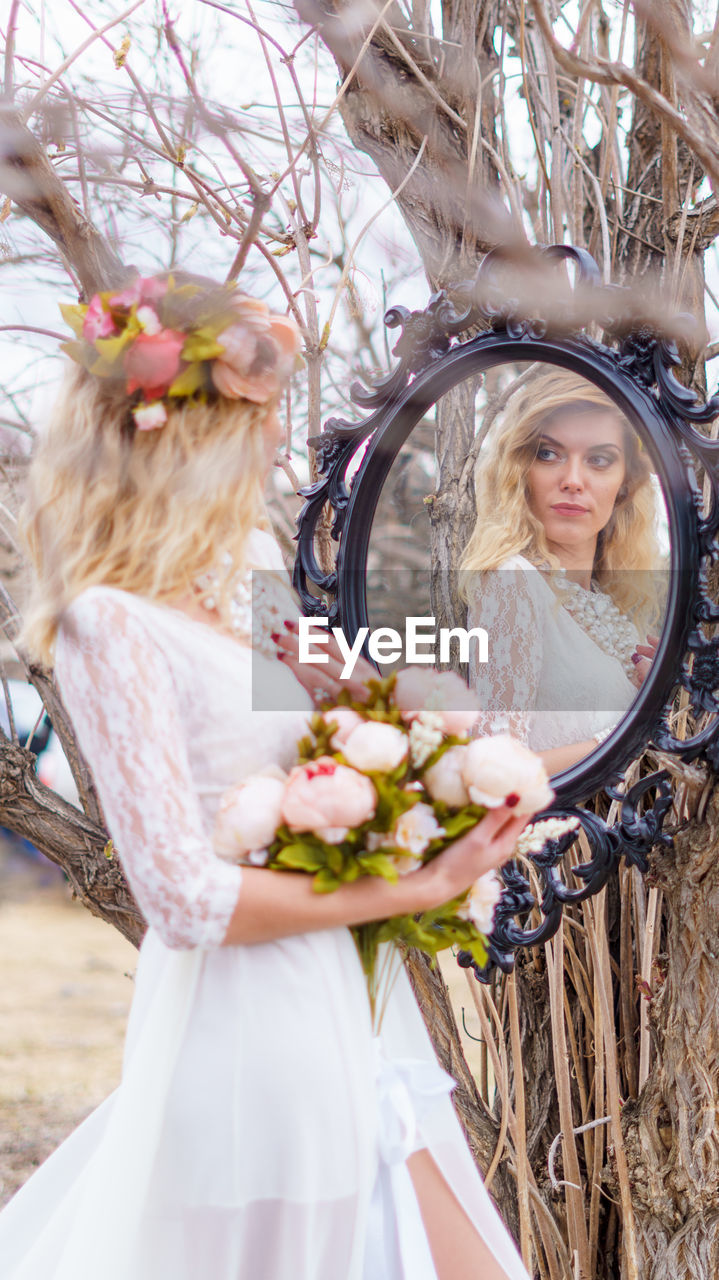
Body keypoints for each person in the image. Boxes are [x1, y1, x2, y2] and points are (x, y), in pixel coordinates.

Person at [0, 272, 533, 1280]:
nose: (272, 452)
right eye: (256, 428)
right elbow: (182, 894)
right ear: (179, 439)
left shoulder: (241, 580)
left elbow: (329, 757)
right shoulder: (108, 624)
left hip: (349, 1001)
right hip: (247, 1032)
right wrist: (418, 885)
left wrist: (362, 706)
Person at [460, 368, 665, 775]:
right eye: (548, 454)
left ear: (624, 484)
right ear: (520, 472)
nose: (573, 480)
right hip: (556, 839)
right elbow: (495, 773)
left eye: (599, 460)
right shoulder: (512, 580)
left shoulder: (616, 608)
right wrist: (631, 731)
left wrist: (658, 690)